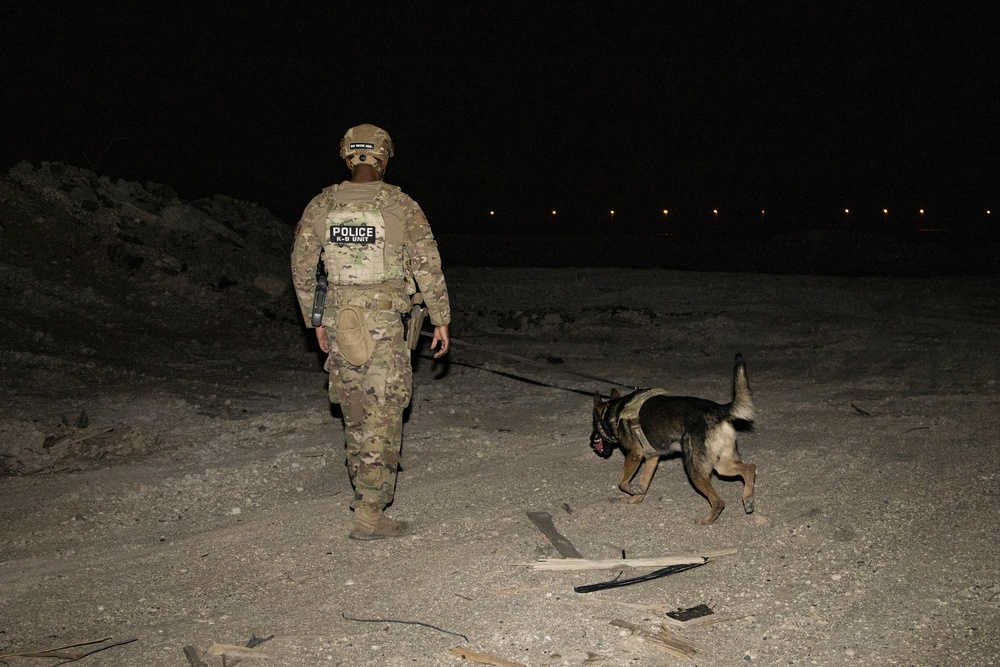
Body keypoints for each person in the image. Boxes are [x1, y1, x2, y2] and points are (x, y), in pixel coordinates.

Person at [291, 124, 450, 540]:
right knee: (383, 411)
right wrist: (441, 317)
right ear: (383, 158)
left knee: (354, 409)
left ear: (347, 157)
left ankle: (363, 494)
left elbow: (303, 268)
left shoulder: (321, 204)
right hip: (381, 323)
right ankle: (369, 511)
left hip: (341, 323)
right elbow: (427, 265)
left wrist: (316, 320)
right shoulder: (401, 204)